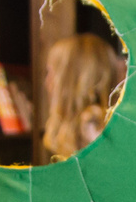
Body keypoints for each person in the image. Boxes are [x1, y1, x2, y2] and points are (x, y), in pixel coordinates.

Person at [36, 31, 123, 162]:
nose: (47, 82)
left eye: (51, 73)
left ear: (68, 80)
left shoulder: (92, 126)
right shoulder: (86, 125)